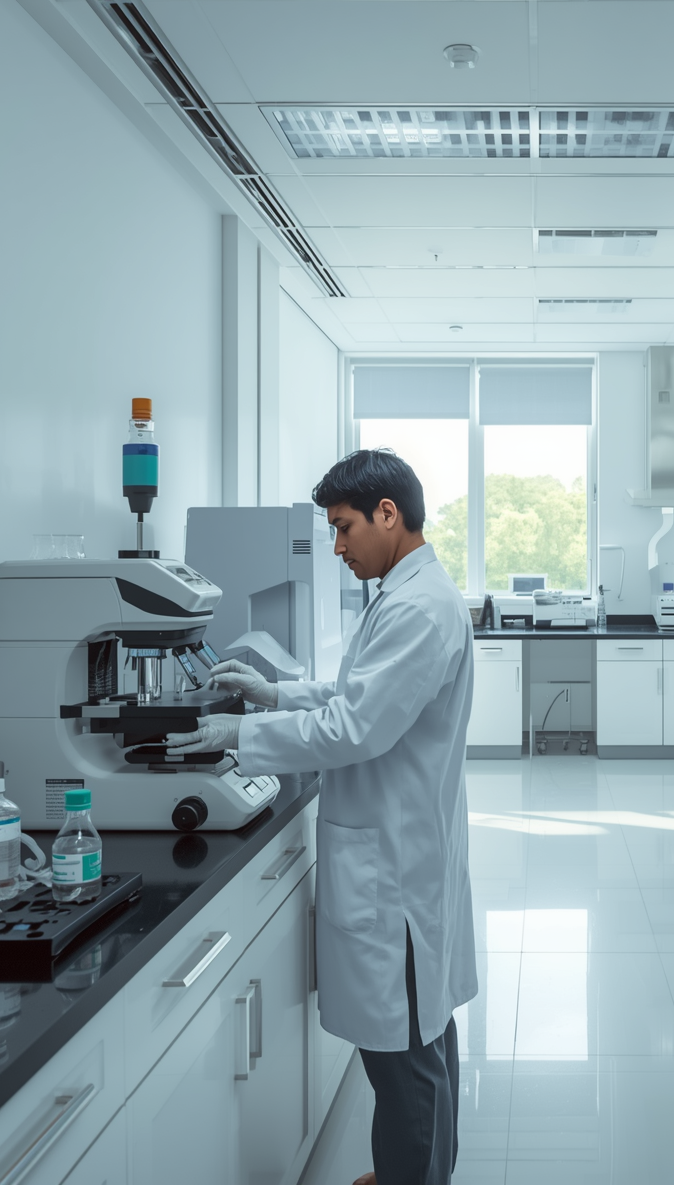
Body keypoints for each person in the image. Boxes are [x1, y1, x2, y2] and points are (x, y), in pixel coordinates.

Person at [164, 449, 477, 1185]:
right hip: (402, 852)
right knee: (420, 1034)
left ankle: (413, 1174)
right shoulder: (407, 596)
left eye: (343, 529)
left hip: (394, 872)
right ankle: (416, 1166)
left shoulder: (418, 609)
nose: (336, 548)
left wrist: (235, 734)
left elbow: (351, 731)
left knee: (404, 1052)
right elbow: (355, 695)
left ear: (388, 515)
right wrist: (276, 695)